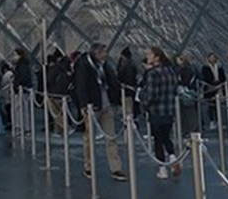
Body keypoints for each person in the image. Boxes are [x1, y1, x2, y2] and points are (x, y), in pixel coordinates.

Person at [73, 43, 127, 181]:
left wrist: (117, 97)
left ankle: (116, 168)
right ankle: (88, 166)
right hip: (92, 106)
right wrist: (84, 105)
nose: (106, 54)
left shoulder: (104, 65)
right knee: (89, 138)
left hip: (106, 104)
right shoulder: (84, 65)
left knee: (111, 137)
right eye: (104, 52)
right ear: (96, 53)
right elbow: (81, 86)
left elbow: (112, 82)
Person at [138, 47, 180, 179]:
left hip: (156, 111)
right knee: (166, 136)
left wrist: (142, 98)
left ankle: (162, 169)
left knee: (158, 140)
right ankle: (173, 157)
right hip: (169, 110)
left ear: (157, 57)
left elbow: (151, 95)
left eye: (149, 54)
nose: (147, 57)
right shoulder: (171, 71)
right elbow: (174, 91)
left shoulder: (152, 73)